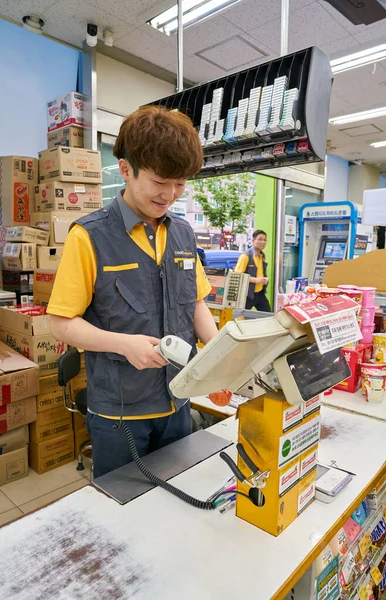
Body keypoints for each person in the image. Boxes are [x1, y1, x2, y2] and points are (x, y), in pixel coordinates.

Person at [47, 106, 218, 478]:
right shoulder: (89, 236)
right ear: (125, 169)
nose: (171, 194)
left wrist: (222, 356)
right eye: (160, 182)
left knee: (176, 504)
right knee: (122, 515)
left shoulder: (183, 234)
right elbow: (61, 323)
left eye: (181, 183)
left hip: (178, 404)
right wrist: (123, 345)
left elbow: (196, 304)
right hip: (119, 414)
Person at [234, 229, 271, 312]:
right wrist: (256, 280)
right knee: (239, 316)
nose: (263, 242)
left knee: (267, 315)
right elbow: (237, 276)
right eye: (260, 239)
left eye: (265, 240)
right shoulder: (245, 256)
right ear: (253, 241)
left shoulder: (262, 255)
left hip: (260, 293)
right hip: (247, 295)